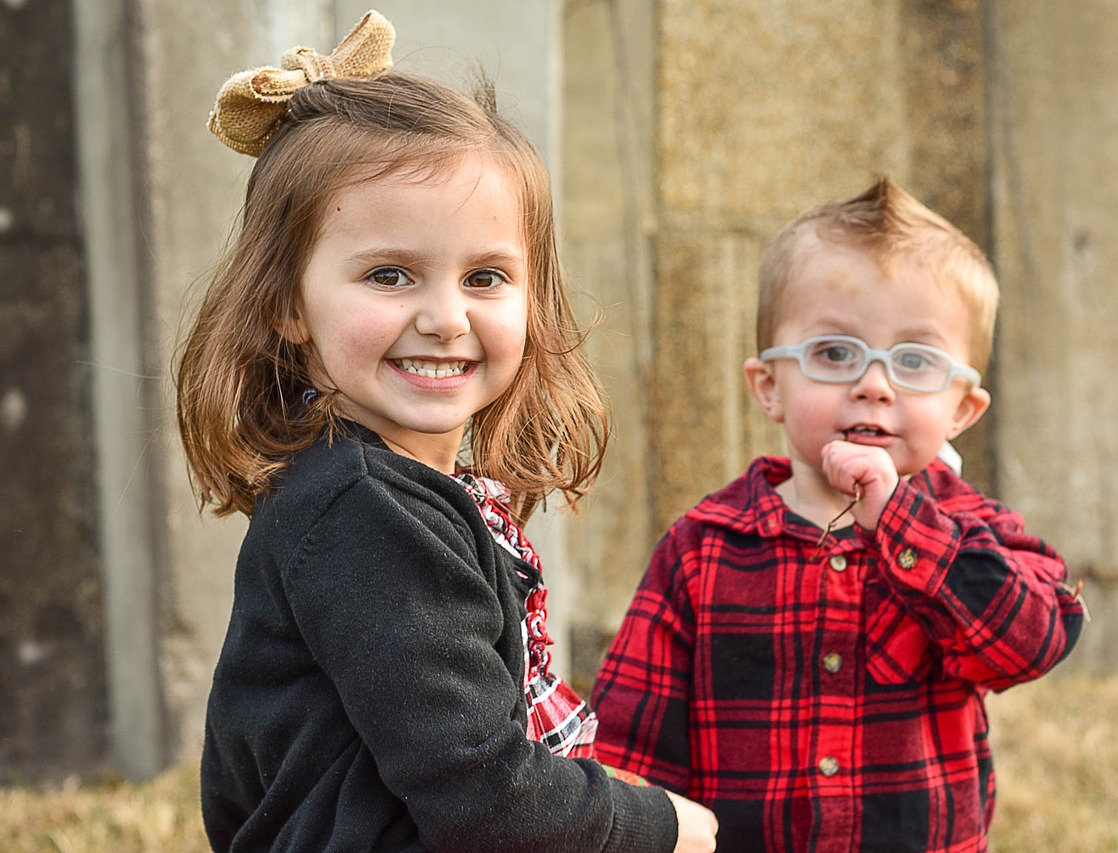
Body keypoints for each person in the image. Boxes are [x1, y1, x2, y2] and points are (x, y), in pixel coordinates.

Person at [176, 11, 718, 852]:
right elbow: (487, 797)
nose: (444, 316)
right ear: (287, 304)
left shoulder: (391, 493)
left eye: (485, 276)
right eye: (388, 274)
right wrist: (660, 824)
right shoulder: (365, 512)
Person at [590, 178, 1087, 852]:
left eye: (914, 360)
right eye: (833, 353)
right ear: (769, 387)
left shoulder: (975, 532)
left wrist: (899, 523)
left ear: (963, 408)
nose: (874, 384)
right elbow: (634, 740)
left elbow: (1032, 640)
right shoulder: (702, 548)